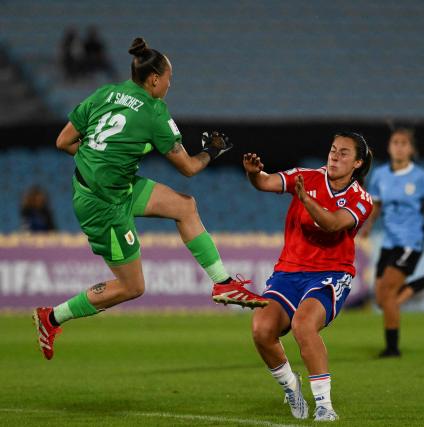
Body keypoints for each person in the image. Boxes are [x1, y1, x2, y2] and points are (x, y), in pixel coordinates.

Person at [33, 37, 268, 361]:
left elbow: (63, 141)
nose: (170, 85)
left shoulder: (106, 93)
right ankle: (51, 317)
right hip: (102, 205)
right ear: (154, 79)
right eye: (169, 79)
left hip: (118, 186)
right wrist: (212, 150)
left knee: (185, 206)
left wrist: (98, 162)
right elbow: (187, 167)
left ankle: (223, 283)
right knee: (132, 287)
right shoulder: (154, 112)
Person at [245, 132, 373, 422]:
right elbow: (265, 182)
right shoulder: (307, 176)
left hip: (331, 273)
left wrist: (305, 199)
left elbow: (332, 224)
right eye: (332, 150)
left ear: (357, 163)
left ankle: (325, 405)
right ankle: (291, 386)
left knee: (304, 324)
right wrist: (254, 175)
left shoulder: (362, 199)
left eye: (343, 153)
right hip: (289, 271)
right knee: (261, 330)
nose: (334, 156)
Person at [360, 128, 424, 358]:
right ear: (389, 147)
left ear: (411, 149)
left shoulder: (421, 177)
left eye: (403, 143)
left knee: (389, 293)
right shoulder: (380, 175)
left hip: (411, 240)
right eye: (395, 142)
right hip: (390, 242)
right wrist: (368, 225)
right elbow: (377, 204)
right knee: (382, 300)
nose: (399, 146)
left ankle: (392, 348)